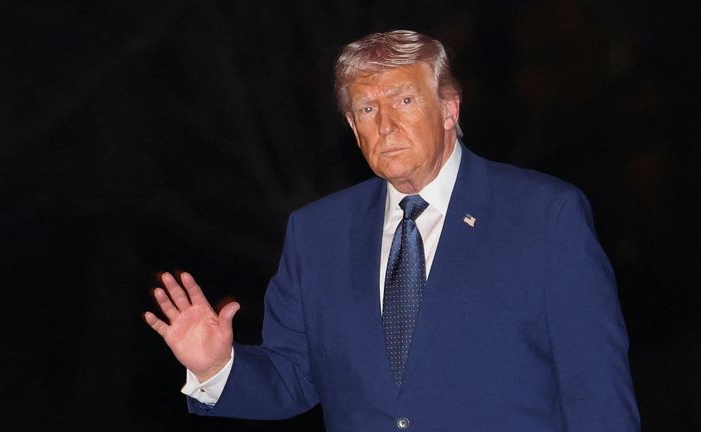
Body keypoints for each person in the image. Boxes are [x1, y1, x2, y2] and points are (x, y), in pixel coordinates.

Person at [144, 30, 640, 431]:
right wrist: (216, 368)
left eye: (403, 100)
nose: (384, 124)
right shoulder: (317, 234)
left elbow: (597, 392)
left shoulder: (544, 216)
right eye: (366, 109)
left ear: (449, 109)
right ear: (351, 124)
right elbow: (292, 379)